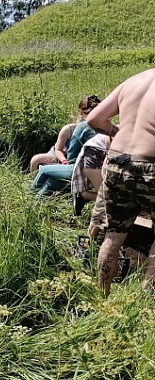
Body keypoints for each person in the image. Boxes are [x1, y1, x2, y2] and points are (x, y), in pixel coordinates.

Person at [86, 68, 155, 296]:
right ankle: (146, 299)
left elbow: (94, 118)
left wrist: (115, 130)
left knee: (114, 235)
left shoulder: (134, 80)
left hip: (116, 161)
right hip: (150, 163)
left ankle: (102, 298)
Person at [30, 96, 102, 198]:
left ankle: (30, 196)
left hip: (76, 165)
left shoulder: (84, 128)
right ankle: (34, 198)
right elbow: (58, 150)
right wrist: (64, 161)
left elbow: (72, 158)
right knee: (39, 164)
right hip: (61, 156)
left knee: (44, 171)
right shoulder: (70, 129)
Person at [71, 132, 111, 217]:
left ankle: (84, 196)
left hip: (104, 155)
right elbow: (109, 140)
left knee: (111, 195)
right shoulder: (122, 129)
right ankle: (84, 196)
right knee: (107, 196)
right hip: (95, 154)